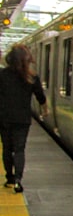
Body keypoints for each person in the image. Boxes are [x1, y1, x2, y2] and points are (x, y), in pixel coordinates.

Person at [0, 45, 48, 193]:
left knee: (7, 148)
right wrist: (45, 109)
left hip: (4, 117)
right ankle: (18, 181)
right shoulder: (31, 76)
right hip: (22, 119)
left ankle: (10, 178)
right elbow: (40, 96)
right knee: (19, 149)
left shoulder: (2, 74)